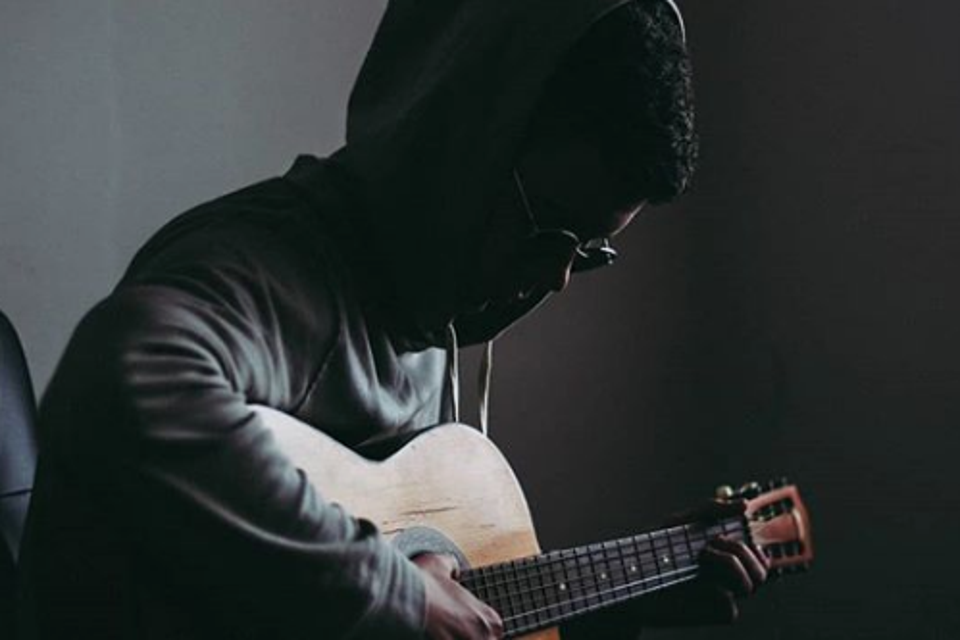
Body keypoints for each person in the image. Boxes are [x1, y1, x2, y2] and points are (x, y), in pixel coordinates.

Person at [16, 0, 769, 638]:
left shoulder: (422, 318)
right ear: (460, 142)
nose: (557, 277)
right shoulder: (268, 269)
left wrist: (633, 598)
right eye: (547, 227)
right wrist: (393, 591)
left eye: (588, 251)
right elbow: (119, 380)